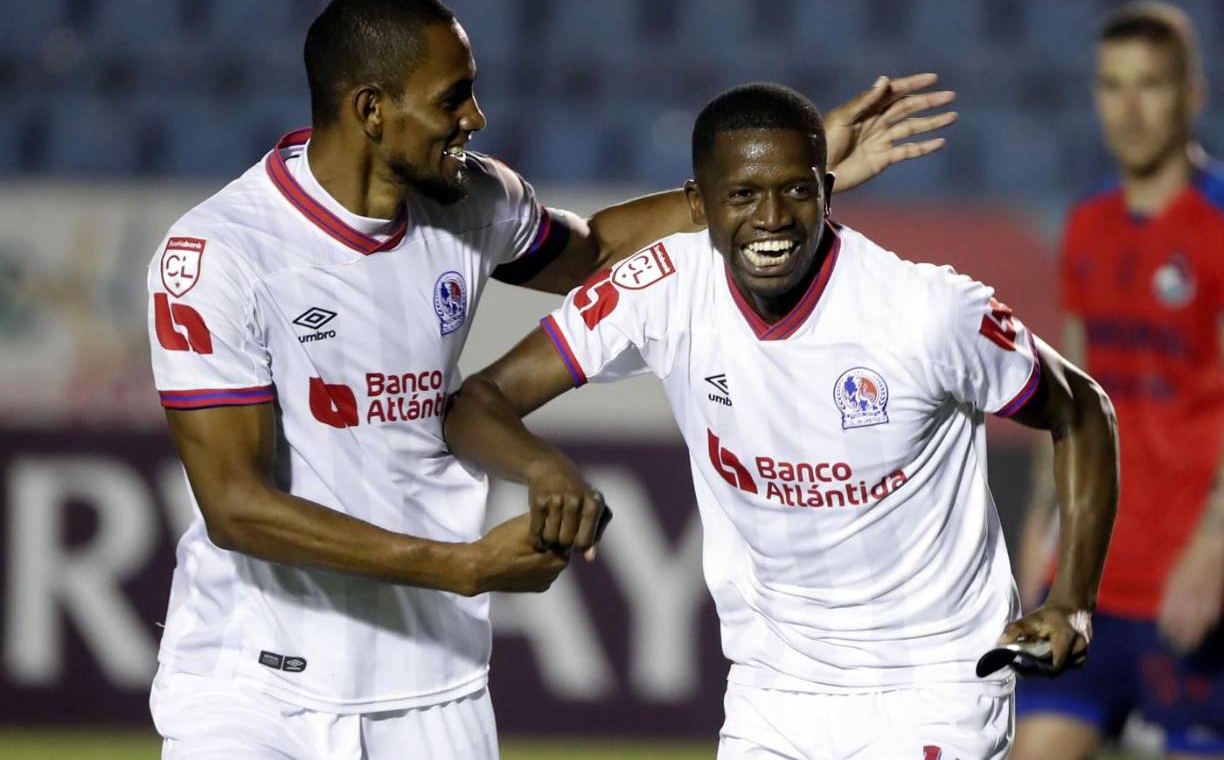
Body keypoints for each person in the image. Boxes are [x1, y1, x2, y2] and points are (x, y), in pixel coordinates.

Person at [145, 0, 956, 760]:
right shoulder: (221, 256)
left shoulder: (470, 200)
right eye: (452, 96)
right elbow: (237, 507)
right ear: (370, 109)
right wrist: (457, 566)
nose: (475, 116)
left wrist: (797, 186)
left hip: (431, 685)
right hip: (254, 686)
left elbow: (598, 251)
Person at [442, 82, 1121, 759]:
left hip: (933, 686)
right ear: (699, 204)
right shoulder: (660, 290)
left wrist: (1072, 601)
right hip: (772, 691)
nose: (771, 217)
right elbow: (478, 402)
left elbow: (1084, 408)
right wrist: (542, 466)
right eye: (741, 195)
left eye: (796, 191)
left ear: (828, 190)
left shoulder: (928, 314)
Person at [1013, 0, 1224, 760]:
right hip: (1094, 580)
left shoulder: (1218, 223)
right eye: (1112, 86)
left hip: (1191, 583)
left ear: (1191, 94)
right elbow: (1073, 392)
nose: (1129, 109)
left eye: (1151, 85)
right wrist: (1043, 516)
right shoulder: (1087, 225)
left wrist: (1217, 540)